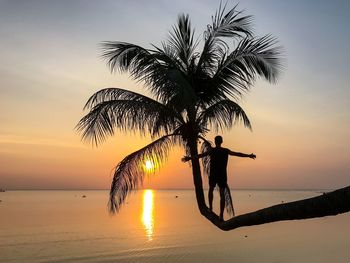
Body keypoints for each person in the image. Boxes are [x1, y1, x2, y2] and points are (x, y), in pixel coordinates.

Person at [182, 136, 256, 220]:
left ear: (215, 141)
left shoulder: (212, 151)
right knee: (222, 195)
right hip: (222, 175)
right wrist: (249, 155)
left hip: (214, 174)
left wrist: (190, 158)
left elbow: (201, 155)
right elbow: (237, 154)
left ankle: (210, 208)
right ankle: (221, 214)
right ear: (222, 141)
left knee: (211, 190)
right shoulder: (225, 151)